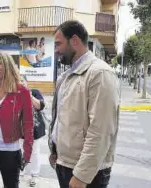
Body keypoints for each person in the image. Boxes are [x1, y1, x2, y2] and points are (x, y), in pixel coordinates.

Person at [49, 20, 120, 188]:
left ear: (74, 41)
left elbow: (101, 130)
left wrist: (82, 175)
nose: (55, 50)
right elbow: (62, 119)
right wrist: (55, 150)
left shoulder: (99, 74)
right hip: (65, 163)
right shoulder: (66, 76)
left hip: (86, 172)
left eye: (58, 44)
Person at [0, 51, 34, 188]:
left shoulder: (22, 91)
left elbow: (28, 123)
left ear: (7, 65)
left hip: (10, 150)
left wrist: (27, 152)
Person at [20, 75, 46, 187]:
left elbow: (40, 106)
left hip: (34, 129)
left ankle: (34, 175)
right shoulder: (15, 94)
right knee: (20, 151)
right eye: (18, 81)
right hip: (20, 130)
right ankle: (21, 172)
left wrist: (28, 95)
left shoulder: (34, 92)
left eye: (22, 81)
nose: (20, 83)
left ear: (26, 82)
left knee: (34, 152)